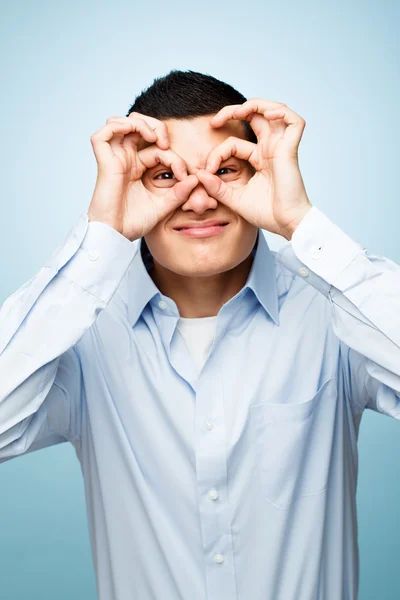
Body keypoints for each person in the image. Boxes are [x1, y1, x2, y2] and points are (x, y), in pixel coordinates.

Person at [0, 69, 399, 600]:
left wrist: (301, 223)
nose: (199, 198)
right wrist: (102, 236)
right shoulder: (82, 333)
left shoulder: (333, 314)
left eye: (225, 170)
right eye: (167, 175)